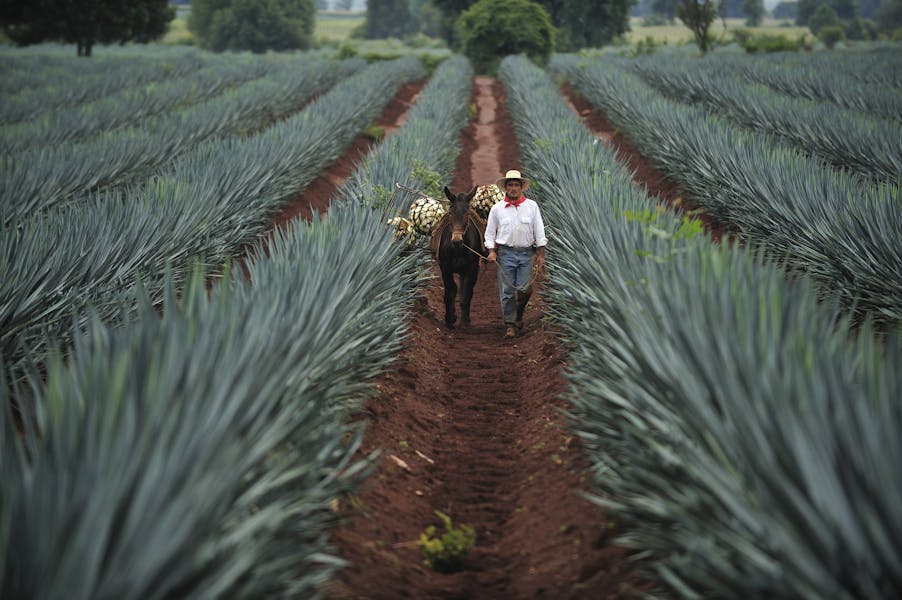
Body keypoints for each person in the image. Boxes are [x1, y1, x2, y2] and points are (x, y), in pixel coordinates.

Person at [484, 169, 547, 338]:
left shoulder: (531, 206)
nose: (513, 188)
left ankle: (519, 313)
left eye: (516, 185)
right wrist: (491, 251)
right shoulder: (497, 209)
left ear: (521, 188)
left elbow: (539, 230)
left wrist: (541, 254)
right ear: (505, 188)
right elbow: (490, 233)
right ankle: (510, 324)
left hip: (527, 253)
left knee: (525, 289)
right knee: (507, 291)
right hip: (505, 254)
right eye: (510, 185)